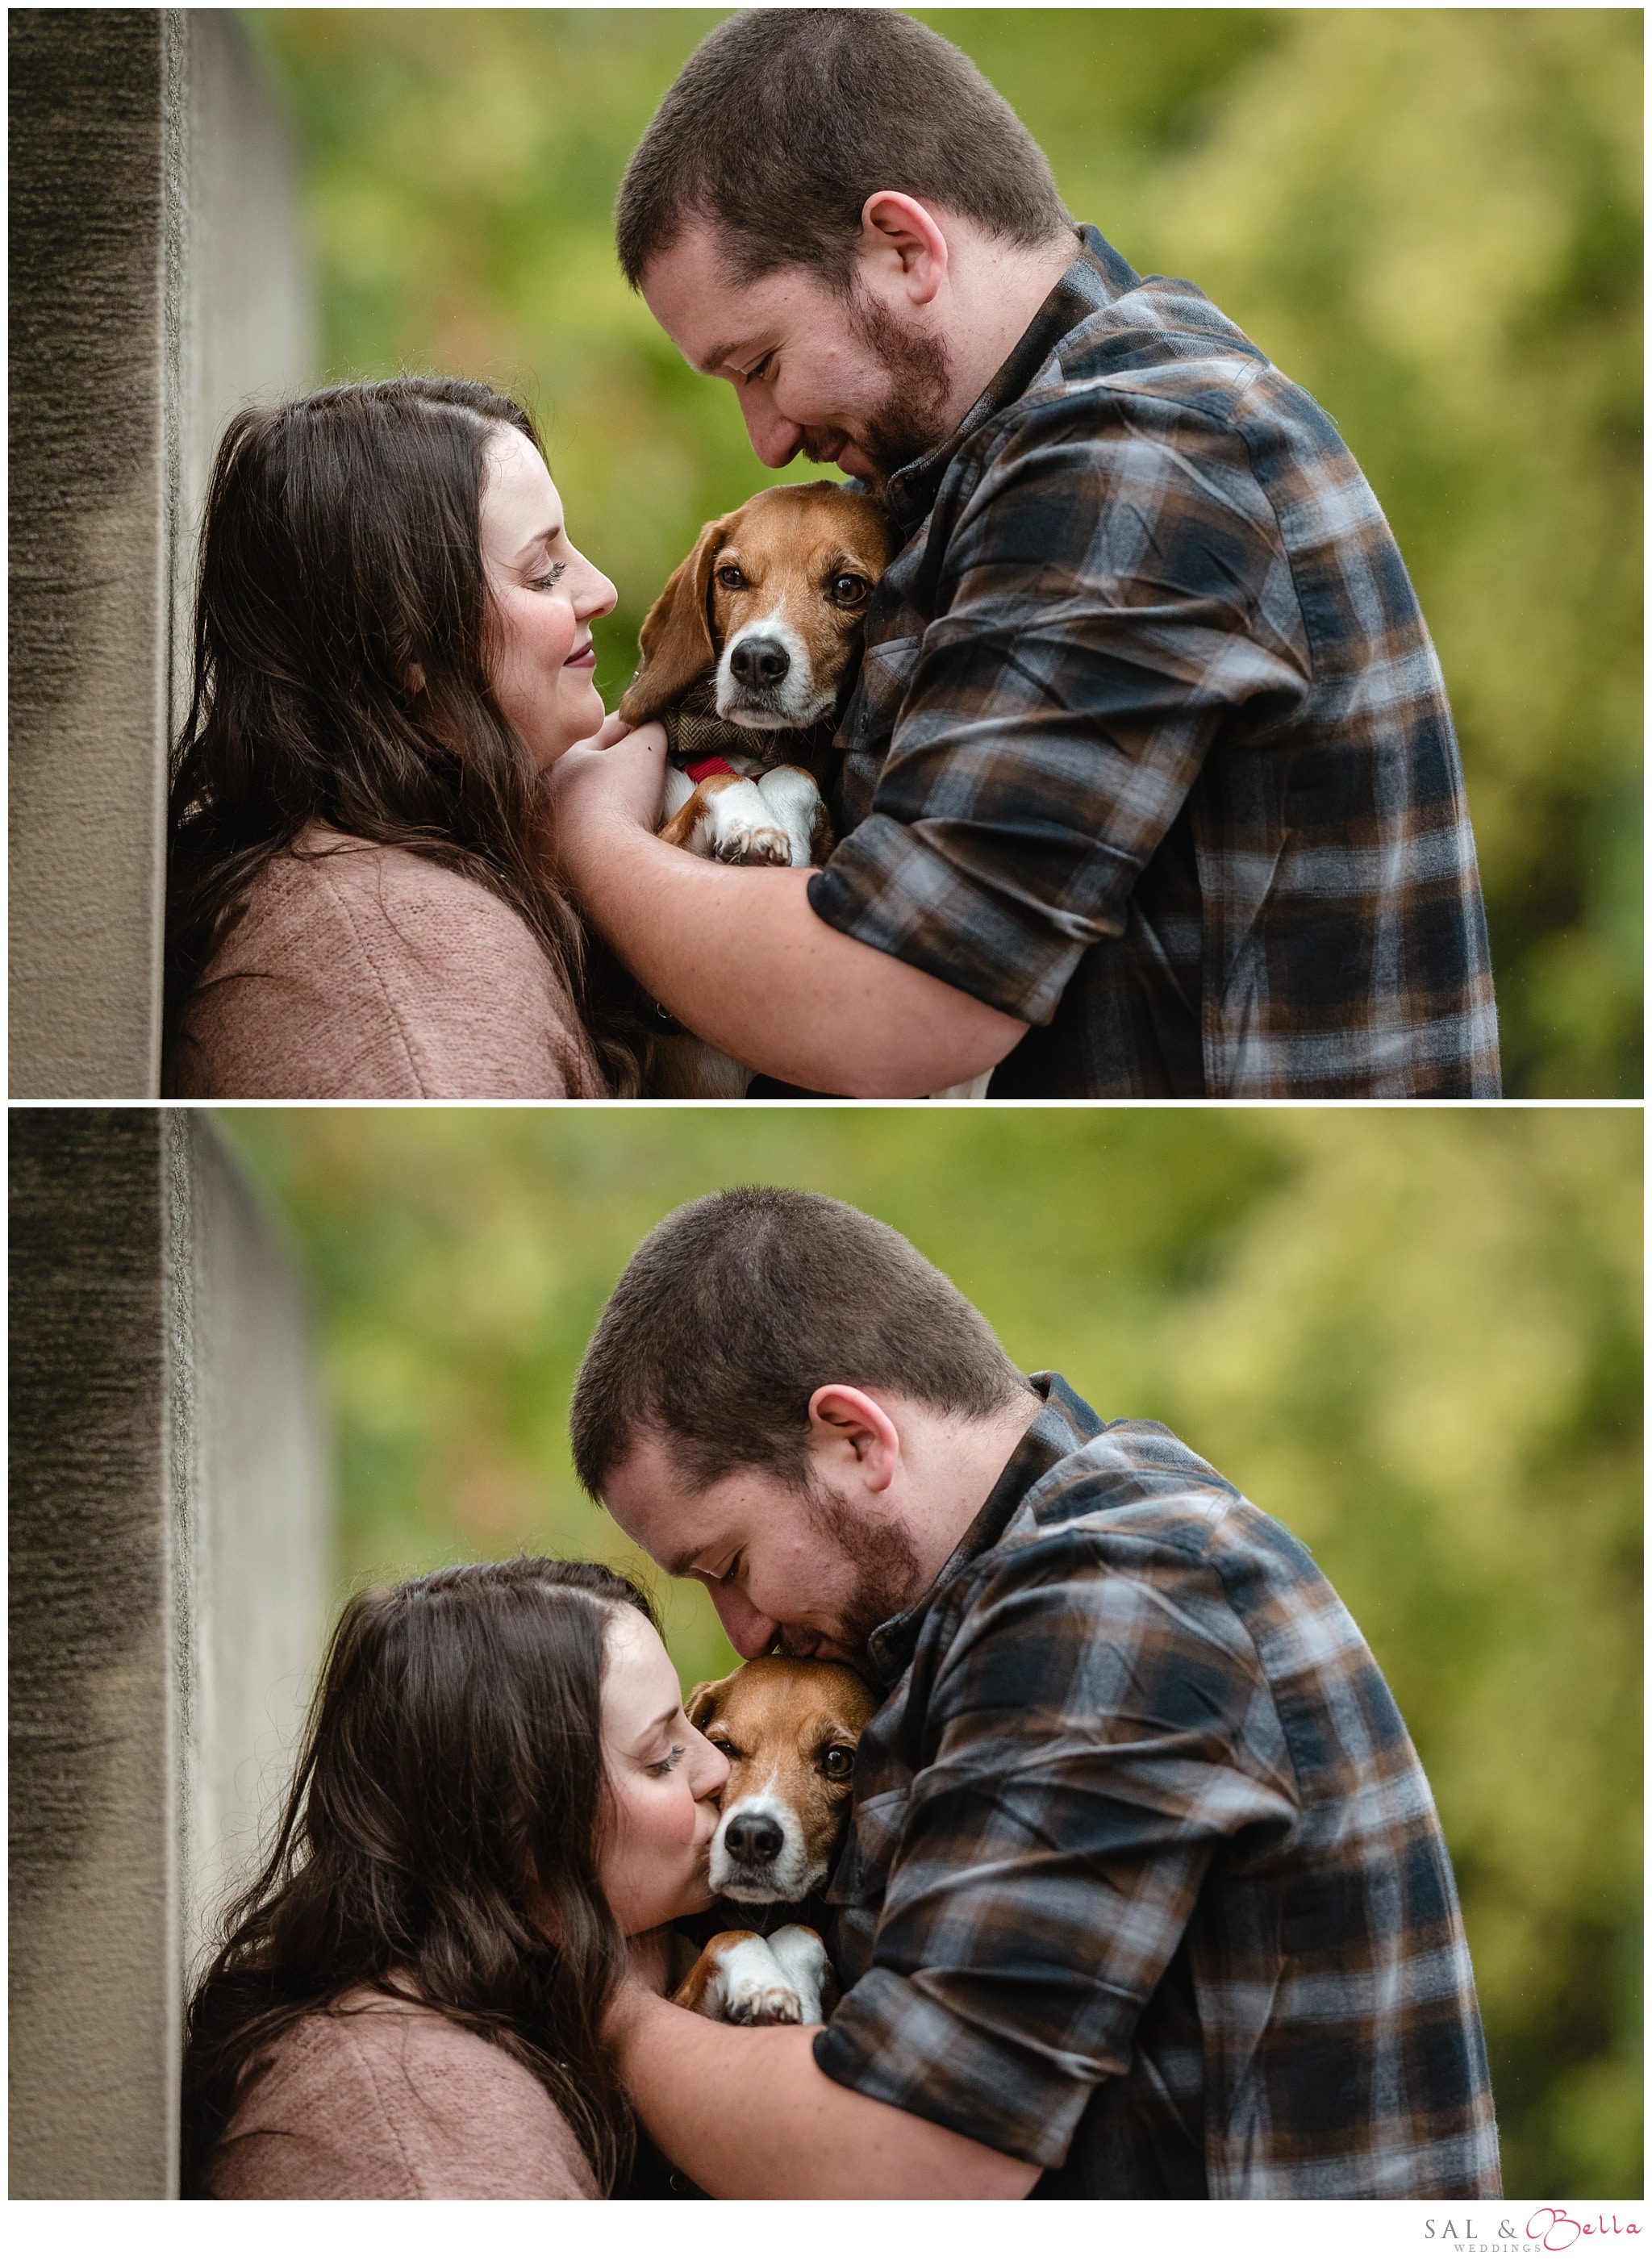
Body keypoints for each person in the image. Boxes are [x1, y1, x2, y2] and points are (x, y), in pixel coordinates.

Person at [549, 10, 1502, 1099]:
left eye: (760, 362)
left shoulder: (1135, 452)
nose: (764, 439)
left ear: (903, 247)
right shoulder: (982, 479)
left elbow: (893, 1006)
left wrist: (590, 832)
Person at [568, 1188, 1504, 2199]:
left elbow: (904, 2162)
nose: (741, 1633)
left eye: (731, 1563)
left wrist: (605, 2001)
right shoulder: (996, 1609)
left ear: (854, 1438)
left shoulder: (1111, 1592)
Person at [181, 1558, 728, 2199]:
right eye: (663, 1756)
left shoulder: (494, 1998)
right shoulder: (429, 2141)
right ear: (517, 1831)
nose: (718, 1767)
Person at [165, 377, 649, 1099]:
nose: (600, 588)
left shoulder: (390, 878)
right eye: (543, 572)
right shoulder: (405, 999)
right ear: (406, 644)